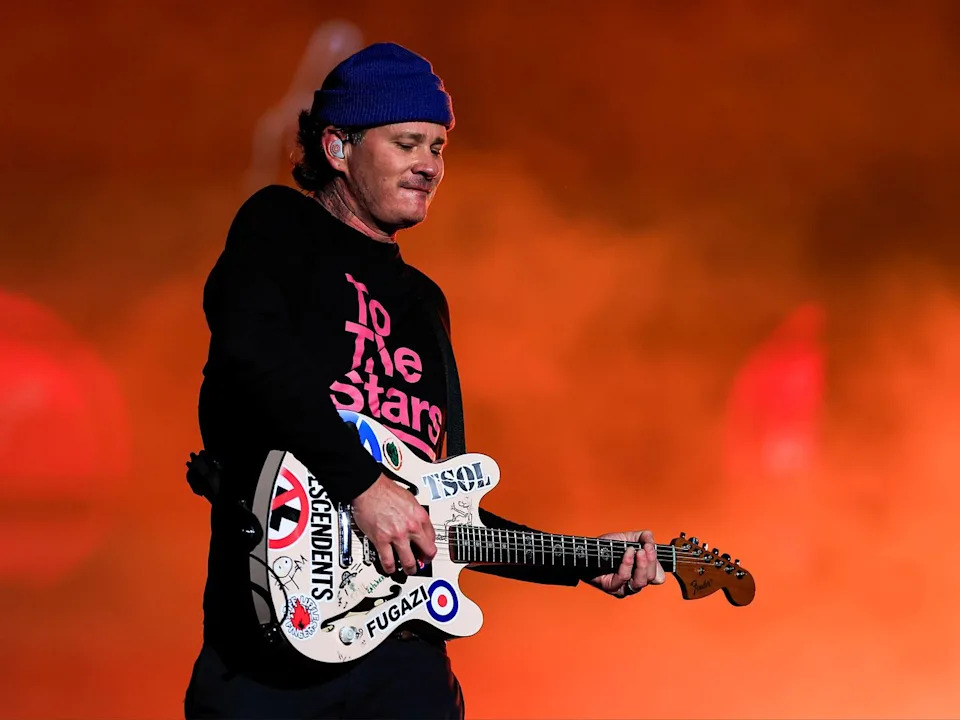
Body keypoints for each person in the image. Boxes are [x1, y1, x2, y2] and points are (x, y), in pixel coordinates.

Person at [184, 42, 665, 720]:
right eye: (408, 142)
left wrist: (578, 559)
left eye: (438, 148)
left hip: (401, 661)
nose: (429, 166)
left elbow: (438, 507)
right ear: (337, 146)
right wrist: (360, 485)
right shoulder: (279, 225)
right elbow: (249, 358)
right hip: (268, 655)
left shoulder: (423, 301)